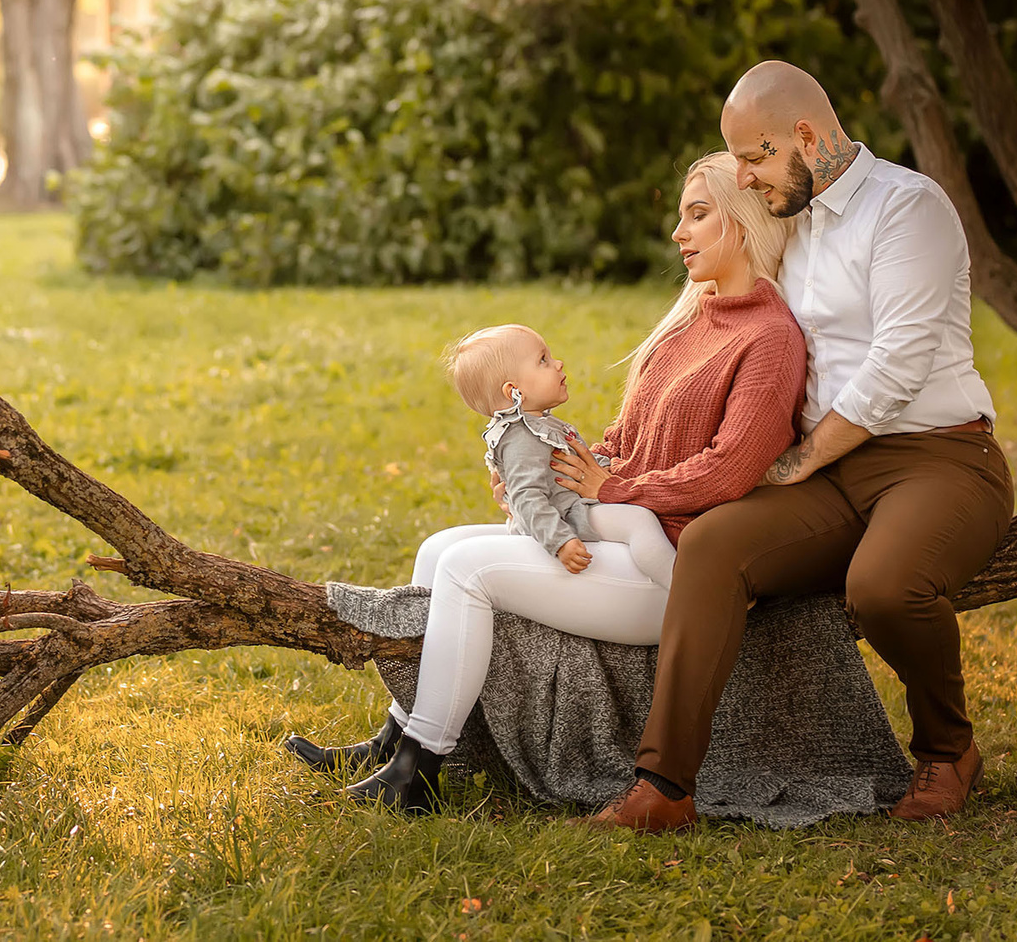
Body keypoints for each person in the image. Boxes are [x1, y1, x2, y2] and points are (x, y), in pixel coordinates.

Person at [564, 61, 1014, 832]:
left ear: (806, 135)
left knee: (883, 585)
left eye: (754, 156)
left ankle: (948, 749)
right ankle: (663, 786)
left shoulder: (908, 208)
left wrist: (799, 462)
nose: (744, 175)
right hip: (834, 473)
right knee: (713, 543)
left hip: (941, 458)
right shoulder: (792, 223)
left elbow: (898, 364)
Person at [287, 153, 806, 812]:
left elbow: (729, 468)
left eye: (697, 215)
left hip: (676, 570)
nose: (678, 232)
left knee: (469, 570)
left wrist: (610, 488)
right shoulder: (688, 323)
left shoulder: (770, 338)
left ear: (742, 219)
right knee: (439, 549)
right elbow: (624, 440)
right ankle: (395, 739)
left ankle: (417, 773)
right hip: (620, 530)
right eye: (681, 216)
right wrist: (553, 472)